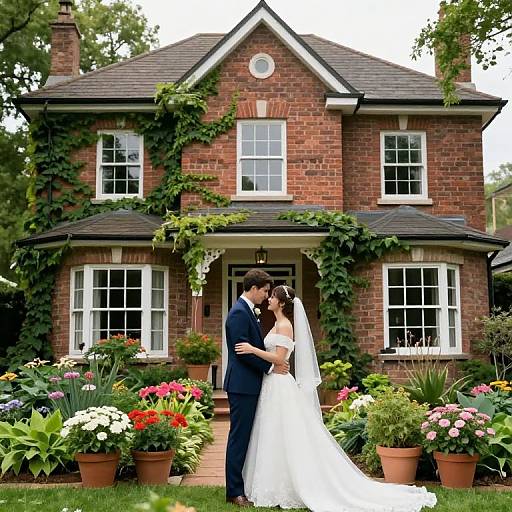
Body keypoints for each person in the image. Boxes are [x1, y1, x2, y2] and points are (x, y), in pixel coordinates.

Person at [234, 285, 437, 511]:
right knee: (272, 432)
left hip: (280, 385)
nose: (268, 299)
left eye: (272, 296)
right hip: (272, 385)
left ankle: (292, 485)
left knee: (285, 432)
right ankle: (270, 484)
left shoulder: (284, 325)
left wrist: (253, 349)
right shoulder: (275, 324)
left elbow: (280, 359)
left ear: (281, 303)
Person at [224, 269, 290, 507]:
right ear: (254, 288)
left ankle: (242, 485)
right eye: (264, 290)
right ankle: (234, 491)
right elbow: (242, 353)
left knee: (246, 437)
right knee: (239, 438)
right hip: (242, 385)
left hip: (250, 384)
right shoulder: (239, 314)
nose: (265, 295)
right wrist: (272, 368)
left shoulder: (247, 311)